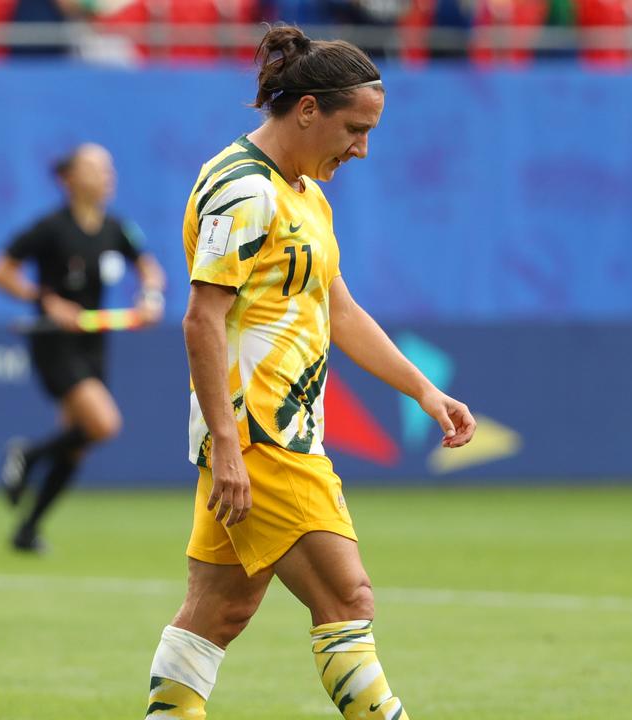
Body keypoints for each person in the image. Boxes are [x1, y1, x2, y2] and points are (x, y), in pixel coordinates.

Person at [140, 27, 477, 719]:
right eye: (354, 129)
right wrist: (231, 443)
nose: (362, 148)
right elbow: (201, 320)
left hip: (268, 435)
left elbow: (339, 309)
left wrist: (423, 390)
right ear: (307, 111)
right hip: (262, 437)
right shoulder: (241, 191)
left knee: (218, 612)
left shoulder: (303, 195)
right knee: (347, 599)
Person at [0, 143, 164, 553]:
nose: (107, 176)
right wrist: (46, 300)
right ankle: (27, 455)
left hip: (93, 340)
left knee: (78, 444)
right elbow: (0, 272)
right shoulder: (50, 227)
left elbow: (148, 269)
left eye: (109, 168)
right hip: (55, 340)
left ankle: (27, 529)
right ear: (69, 179)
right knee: (103, 424)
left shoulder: (116, 228)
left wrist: (149, 299)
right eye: (95, 168)